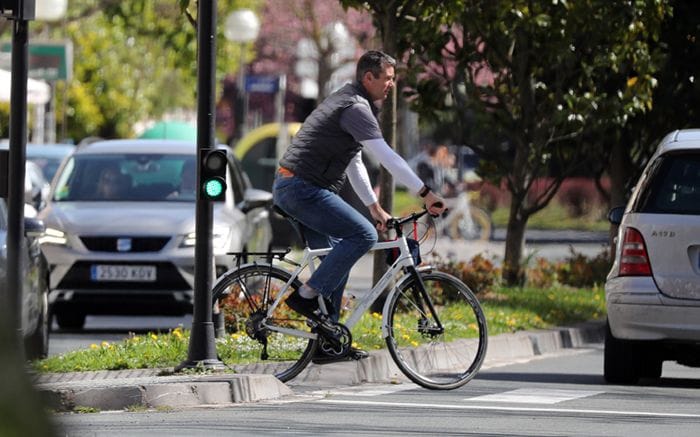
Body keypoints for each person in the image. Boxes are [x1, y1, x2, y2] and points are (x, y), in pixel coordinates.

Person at [273, 50, 447, 363]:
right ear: (369, 77)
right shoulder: (355, 107)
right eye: (389, 78)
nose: (392, 84)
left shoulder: (347, 100)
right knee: (364, 236)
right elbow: (387, 157)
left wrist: (374, 206)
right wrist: (425, 192)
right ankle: (305, 296)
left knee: (338, 253)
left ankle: (328, 342)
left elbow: (354, 162)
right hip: (302, 187)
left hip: (298, 186)